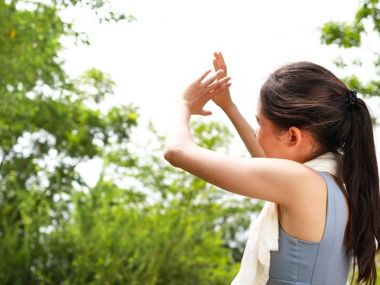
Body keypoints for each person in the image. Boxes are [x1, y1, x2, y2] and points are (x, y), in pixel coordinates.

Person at [163, 52, 380, 285]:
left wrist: (183, 105)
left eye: (260, 123)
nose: (257, 133)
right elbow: (268, 163)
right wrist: (229, 106)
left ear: (293, 136)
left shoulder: (300, 182)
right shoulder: (340, 184)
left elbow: (177, 151)